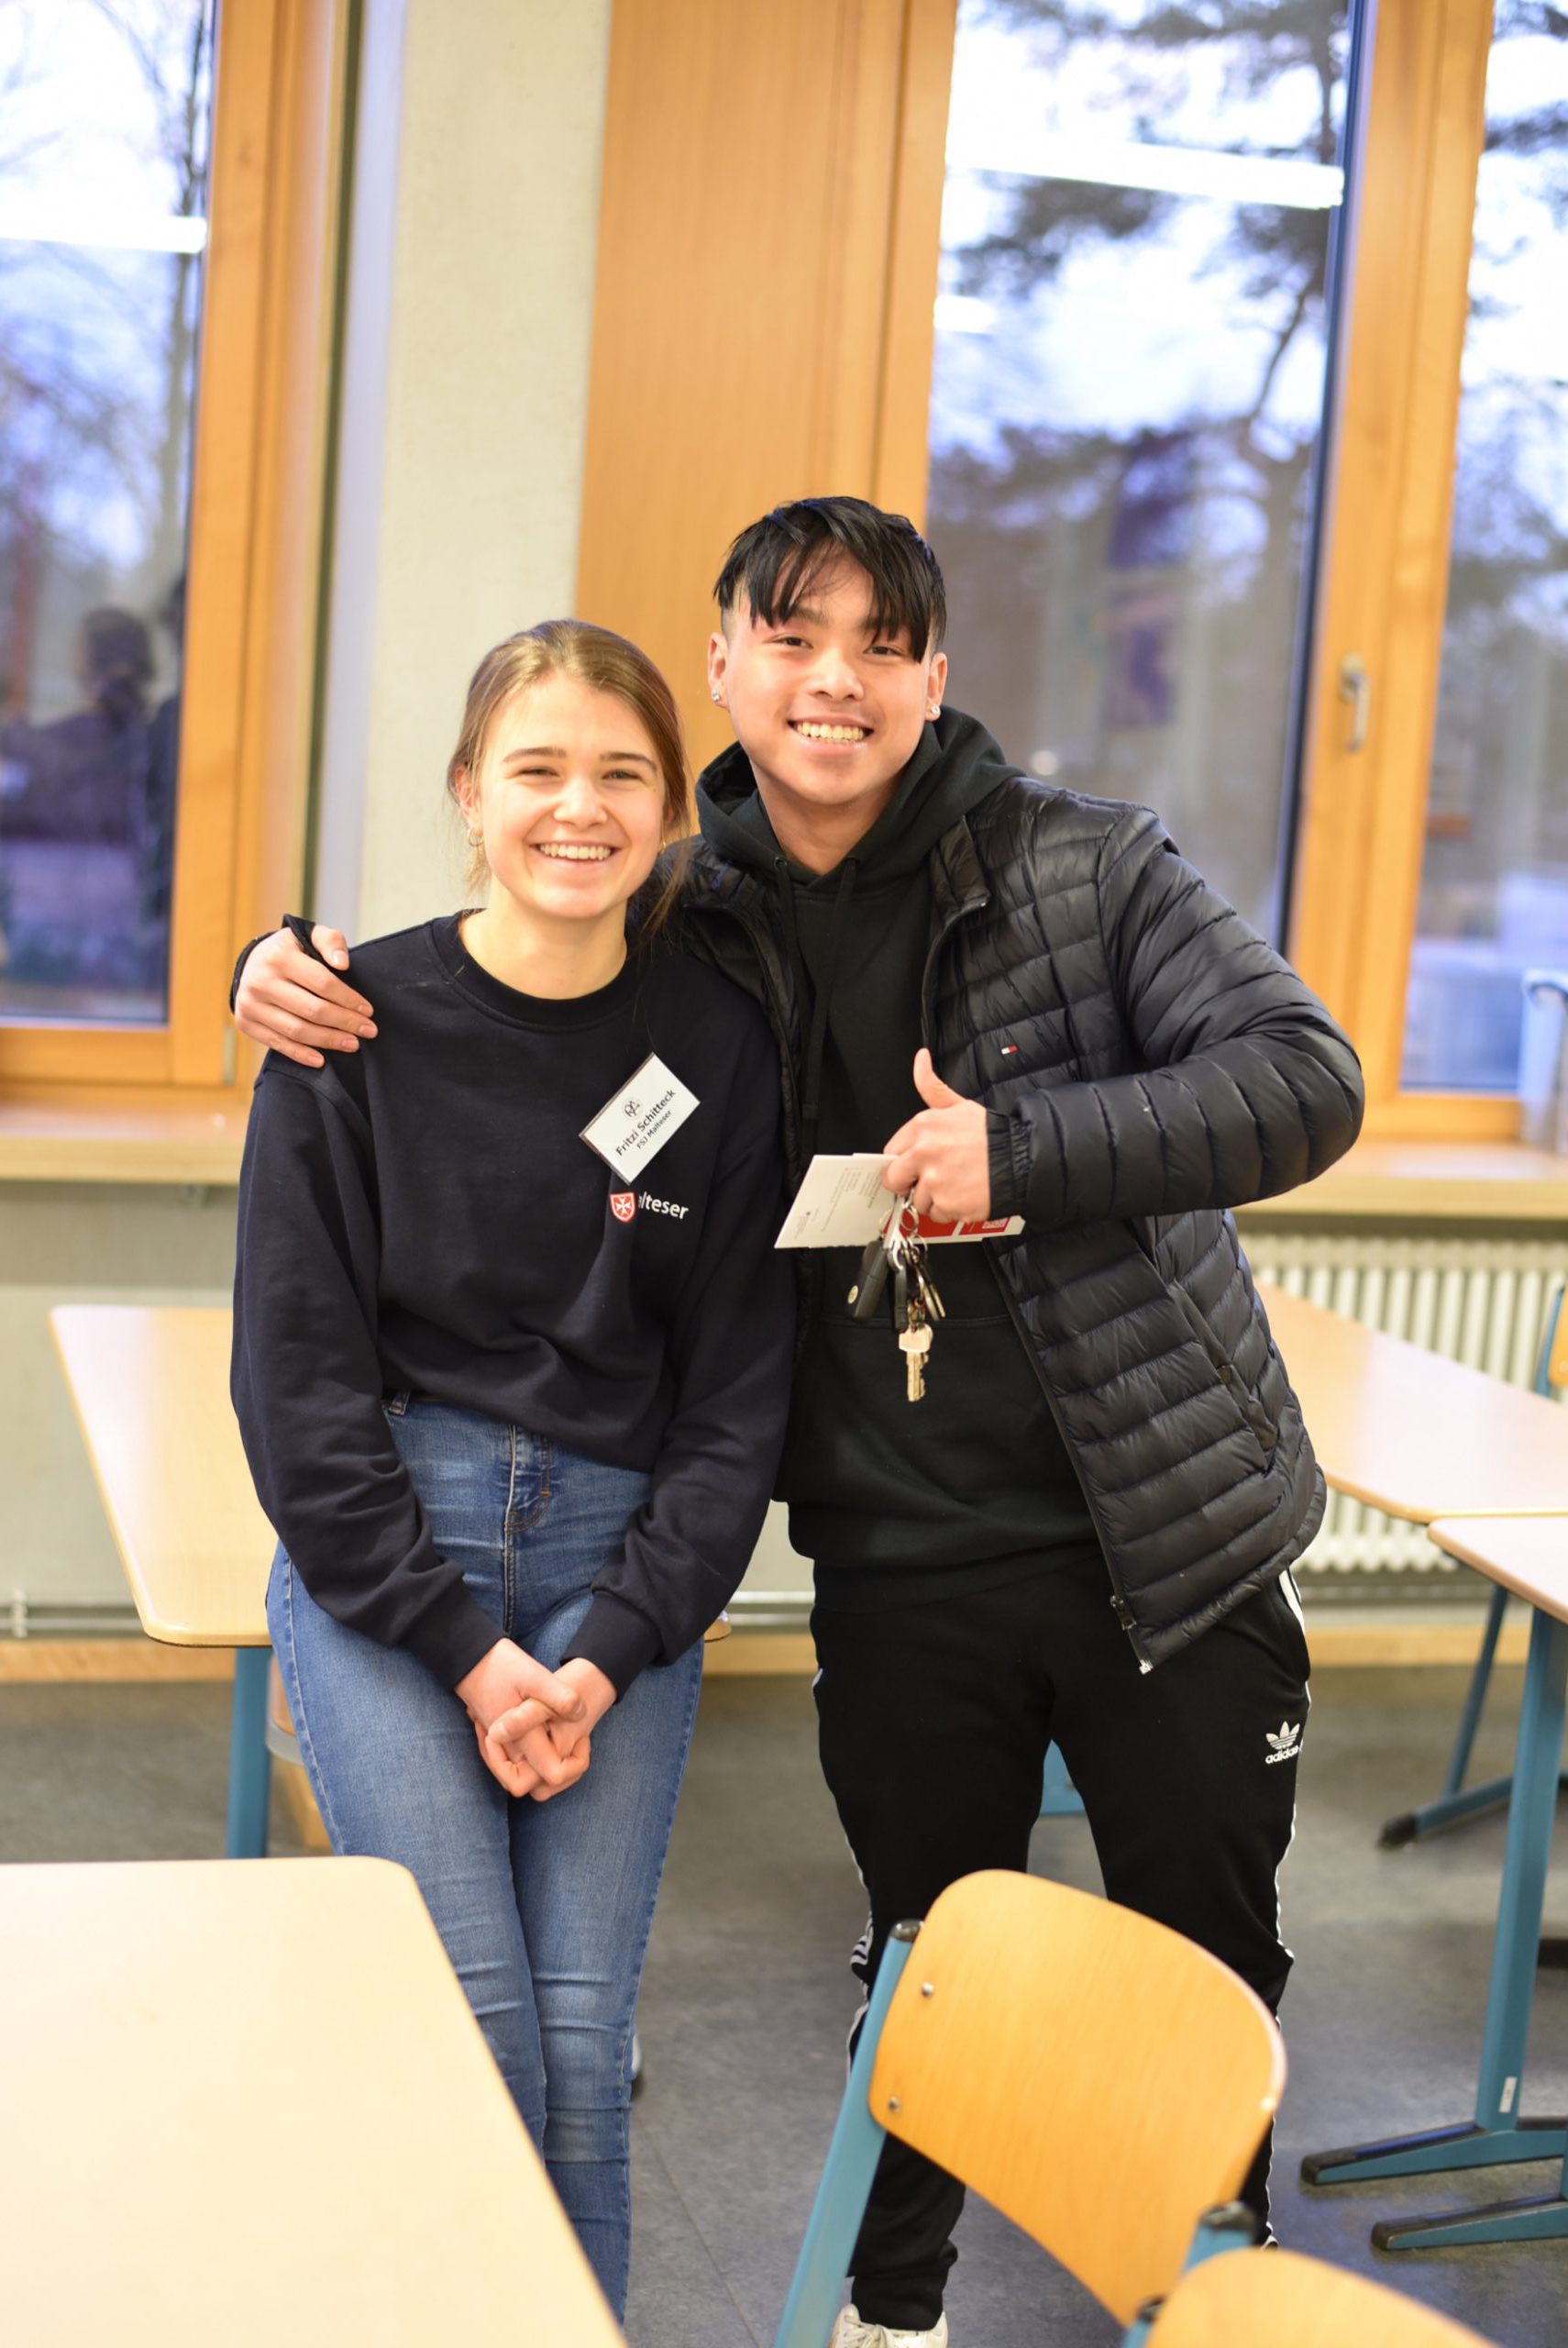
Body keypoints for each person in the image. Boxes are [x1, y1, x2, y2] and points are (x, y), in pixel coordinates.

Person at [232, 500, 1364, 2348]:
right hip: (898, 1537)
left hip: (1159, 1522)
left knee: (1203, 1960)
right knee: (925, 1952)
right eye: (792, 637)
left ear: (933, 676)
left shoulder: (1086, 864)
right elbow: (512, 949)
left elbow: (1308, 1080)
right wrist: (272, 967)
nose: (835, 679)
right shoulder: (698, 910)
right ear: (728, 668)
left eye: (880, 645)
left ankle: (1207, 2303)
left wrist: (1026, 1149)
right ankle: (891, 2308)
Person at [230, 618, 794, 2321]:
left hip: (617, 1575)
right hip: (393, 1567)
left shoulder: (717, 1044)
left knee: (580, 2054)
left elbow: (736, 1401)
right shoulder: (347, 1025)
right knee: (476, 2044)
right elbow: (298, 1392)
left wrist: (606, 1647)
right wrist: (471, 1657)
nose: (578, 807)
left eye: (621, 773)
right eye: (536, 769)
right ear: (469, 795)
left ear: (669, 811)